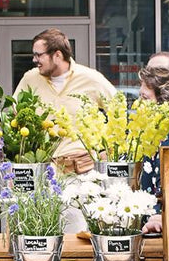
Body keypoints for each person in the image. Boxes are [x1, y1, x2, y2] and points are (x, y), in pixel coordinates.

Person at [13, 28, 117, 174]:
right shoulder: (30, 79)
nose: (34, 60)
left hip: (84, 168)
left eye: (38, 55)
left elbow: (118, 111)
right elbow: (14, 115)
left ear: (57, 55)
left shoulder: (91, 78)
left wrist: (107, 150)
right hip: (43, 167)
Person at [138, 55, 169, 235]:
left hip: (160, 231)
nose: (139, 103)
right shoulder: (153, 134)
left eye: (145, 98)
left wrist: (162, 216)